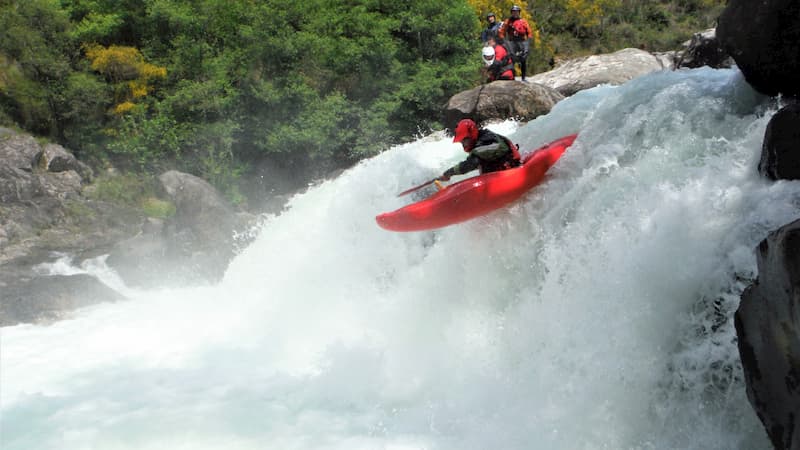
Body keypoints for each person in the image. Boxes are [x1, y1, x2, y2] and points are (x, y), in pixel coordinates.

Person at [438, 119, 521, 181]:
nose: (463, 144)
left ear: (472, 134)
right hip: (504, 172)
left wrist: (449, 173)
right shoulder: (482, 139)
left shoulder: (484, 142)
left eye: (465, 140)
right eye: (461, 142)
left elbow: (470, 164)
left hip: (511, 172)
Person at [498, 5, 532, 81]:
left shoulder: (523, 21)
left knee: (523, 58)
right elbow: (501, 32)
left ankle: (523, 78)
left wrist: (527, 44)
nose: (515, 13)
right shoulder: (508, 21)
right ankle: (512, 77)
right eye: (513, 12)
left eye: (516, 12)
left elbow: (529, 33)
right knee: (511, 58)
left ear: (519, 12)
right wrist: (505, 42)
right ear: (511, 13)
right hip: (512, 41)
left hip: (522, 41)